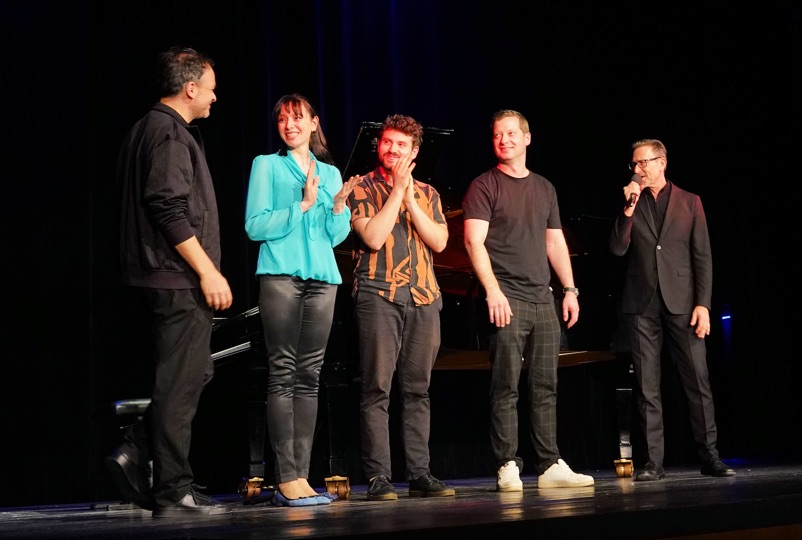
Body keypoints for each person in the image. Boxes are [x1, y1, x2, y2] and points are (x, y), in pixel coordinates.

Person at [108, 46, 232, 517]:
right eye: (211, 89)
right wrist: (207, 270)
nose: (215, 98)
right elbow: (166, 207)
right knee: (181, 382)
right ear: (190, 88)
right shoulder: (170, 135)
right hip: (174, 277)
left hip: (155, 276)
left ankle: (137, 452)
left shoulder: (145, 128)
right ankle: (172, 489)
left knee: (191, 372)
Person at [462, 109, 594, 491]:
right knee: (505, 386)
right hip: (506, 297)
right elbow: (472, 241)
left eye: (510, 133)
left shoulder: (544, 187)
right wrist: (493, 291)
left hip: (542, 300)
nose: (503, 140)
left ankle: (549, 463)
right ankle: (507, 463)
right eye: (497, 135)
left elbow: (555, 242)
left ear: (527, 138)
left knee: (545, 385)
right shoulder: (484, 185)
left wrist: (570, 290)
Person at [244, 94, 359, 507]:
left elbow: (334, 237)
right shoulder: (266, 165)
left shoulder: (329, 172)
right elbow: (255, 226)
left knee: (310, 376)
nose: (289, 125)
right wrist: (303, 205)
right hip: (281, 275)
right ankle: (286, 477)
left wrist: (339, 207)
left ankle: (302, 477)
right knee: (283, 372)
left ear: (314, 123)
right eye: (282, 119)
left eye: (297, 118)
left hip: (323, 279)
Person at [609, 139, 735, 481]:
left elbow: (702, 257)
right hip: (641, 303)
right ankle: (653, 462)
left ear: (661, 162)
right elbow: (617, 249)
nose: (638, 169)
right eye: (634, 164)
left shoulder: (690, 201)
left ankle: (710, 457)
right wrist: (628, 209)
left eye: (643, 162)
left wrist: (703, 304)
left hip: (684, 302)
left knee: (697, 380)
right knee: (647, 386)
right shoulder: (630, 201)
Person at [346, 114, 455, 501]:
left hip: (423, 296)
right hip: (378, 294)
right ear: (379, 145)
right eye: (387, 142)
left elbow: (439, 241)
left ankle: (420, 473)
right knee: (376, 388)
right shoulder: (361, 186)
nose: (392, 149)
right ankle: (379, 476)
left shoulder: (429, 193)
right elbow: (374, 238)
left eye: (401, 145)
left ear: (414, 151)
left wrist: (410, 198)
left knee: (417, 390)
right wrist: (396, 194)